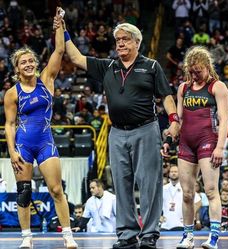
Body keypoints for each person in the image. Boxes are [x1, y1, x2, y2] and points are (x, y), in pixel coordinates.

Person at [54, 15, 179, 249]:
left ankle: (150, 233)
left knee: (149, 183)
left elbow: (167, 96)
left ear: (137, 43)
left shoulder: (151, 66)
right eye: (118, 40)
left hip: (146, 129)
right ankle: (127, 234)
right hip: (117, 133)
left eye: (125, 40)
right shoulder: (108, 66)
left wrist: (173, 120)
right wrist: (64, 29)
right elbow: (75, 57)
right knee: (121, 184)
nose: (120, 43)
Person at [4, 7, 78, 249]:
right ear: (16, 69)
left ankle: (67, 234)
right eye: (22, 62)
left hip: (45, 142)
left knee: (56, 189)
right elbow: (10, 123)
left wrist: (59, 24)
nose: (27, 64)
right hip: (23, 146)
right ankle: (26, 237)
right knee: (24, 192)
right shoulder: (12, 94)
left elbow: (59, 50)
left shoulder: (46, 80)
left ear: (35, 64)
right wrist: (12, 151)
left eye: (30, 61)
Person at [176, 46, 228, 249]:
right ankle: (188, 236)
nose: (194, 75)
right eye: (191, 71)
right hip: (186, 143)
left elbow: (224, 120)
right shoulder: (183, 88)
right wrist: (169, 138)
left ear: (207, 67)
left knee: (210, 190)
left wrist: (219, 147)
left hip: (208, 142)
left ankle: (213, 237)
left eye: (198, 71)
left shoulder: (217, 87)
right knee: (187, 193)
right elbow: (179, 118)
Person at [160, 165, 201, 231]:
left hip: (181, 225)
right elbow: (156, 204)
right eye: (172, 172)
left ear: (180, 173)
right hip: (165, 225)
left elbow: (198, 202)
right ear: (169, 174)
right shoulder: (163, 188)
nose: (173, 173)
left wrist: (189, 215)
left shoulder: (185, 188)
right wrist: (158, 217)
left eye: (176, 171)